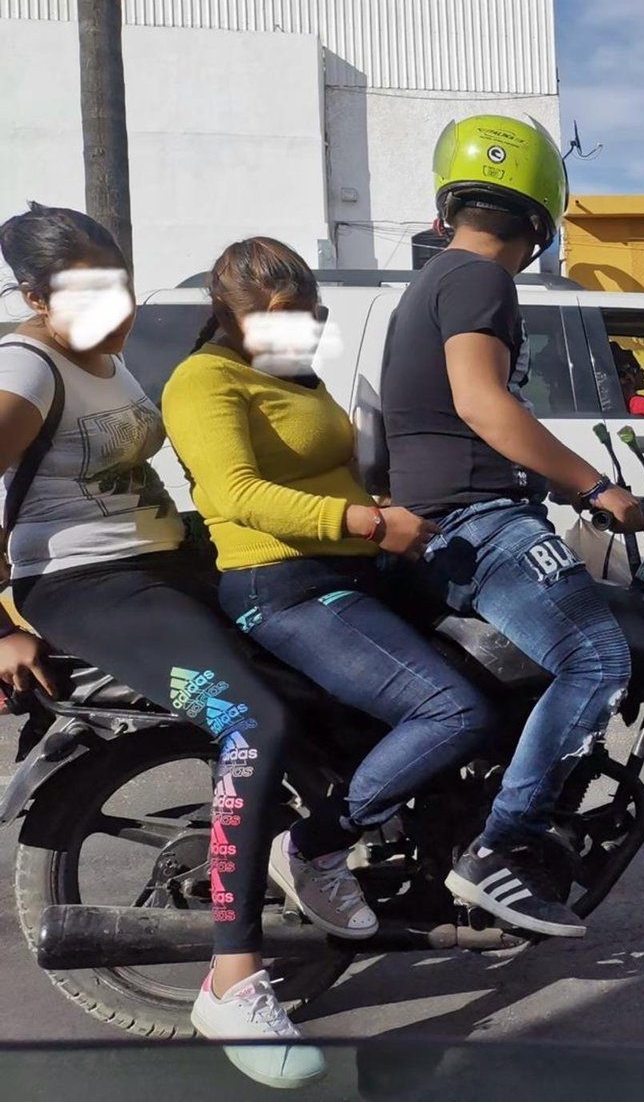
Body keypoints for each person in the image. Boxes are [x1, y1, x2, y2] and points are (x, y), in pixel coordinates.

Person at [0, 204, 324, 1090]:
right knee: (251, 719)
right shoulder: (26, 365)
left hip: (166, 563)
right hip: (89, 587)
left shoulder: (101, 357)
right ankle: (232, 980)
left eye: (122, 287)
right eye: (90, 293)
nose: (117, 308)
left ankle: (324, 851)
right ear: (36, 297)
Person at [162, 238, 493, 944]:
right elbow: (239, 493)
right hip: (284, 584)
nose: (314, 327)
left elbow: (325, 470)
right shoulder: (203, 380)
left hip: (349, 572)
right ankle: (313, 848)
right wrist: (366, 521)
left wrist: (387, 505)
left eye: (319, 315)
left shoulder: (290, 374)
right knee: (452, 711)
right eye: (304, 314)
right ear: (258, 312)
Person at [381, 114, 644, 940]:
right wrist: (596, 485)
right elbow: (481, 403)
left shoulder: (432, 280)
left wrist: (555, 479)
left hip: (450, 516)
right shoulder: (480, 280)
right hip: (477, 522)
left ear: (450, 203)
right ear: (539, 220)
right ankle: (501, 846)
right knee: (598, 658)